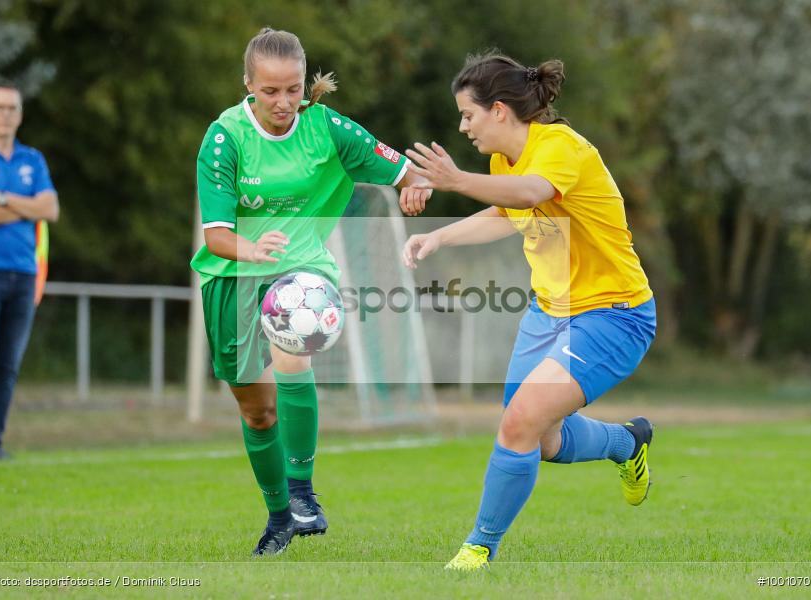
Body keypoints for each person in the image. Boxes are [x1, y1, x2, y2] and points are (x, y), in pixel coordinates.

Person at [402, 53, 656, 570]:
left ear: (499, 111)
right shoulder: (504, 162)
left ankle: (478, 548)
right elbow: (507, 210)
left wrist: (455, 180)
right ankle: (627, 443)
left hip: (614, 315)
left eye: (467, 115)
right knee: (541, 439)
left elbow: (533, 192)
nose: (462, 126)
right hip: (549, 314)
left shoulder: (560, 146)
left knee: (518, 423)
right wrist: (439, 237)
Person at [191, 27, 430, 556]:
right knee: (256, 411)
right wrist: (249, 250)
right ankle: (280, 517)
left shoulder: (327, 129)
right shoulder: (225, 136)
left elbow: (407, 171)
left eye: (294, 90)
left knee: (293, 345)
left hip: (302, 272)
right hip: (230, 278)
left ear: (306, 85)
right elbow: (216, 235)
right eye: (270, 91)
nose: (283, 102)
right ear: (248, 84)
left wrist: (416, 184)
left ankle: (303, 494)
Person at [0, 81, 59, 459]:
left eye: (12, 108)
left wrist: (5, 198)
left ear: (20, 115)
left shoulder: (32, 160)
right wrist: (25, 205)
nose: (5, 114)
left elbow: (50, 210)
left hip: (24, 275)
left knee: (7, 366)